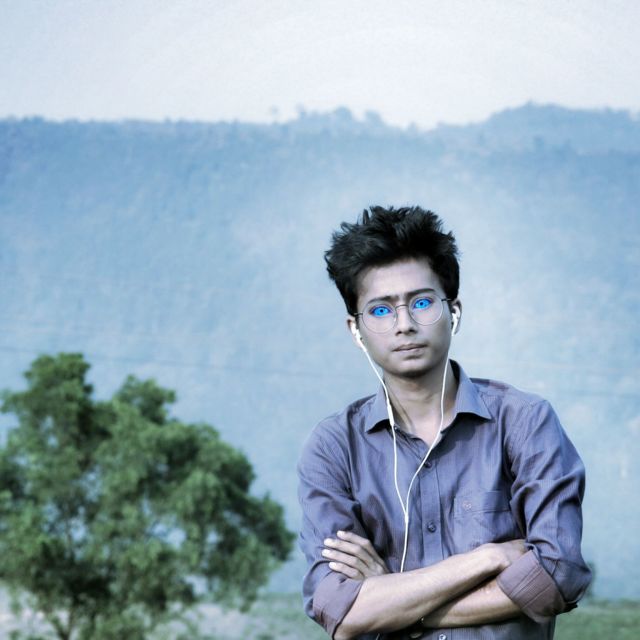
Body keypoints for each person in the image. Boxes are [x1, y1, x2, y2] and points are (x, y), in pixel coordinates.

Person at [297, 206, 592, 640]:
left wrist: (394, 601)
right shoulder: (334, 446)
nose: (404, 325)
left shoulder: (525, 422)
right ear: (355, 329)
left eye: (421, 303)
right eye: (380, 310)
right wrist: (487, 558)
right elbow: (339, 610)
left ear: (453, 311)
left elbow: (556, 575)